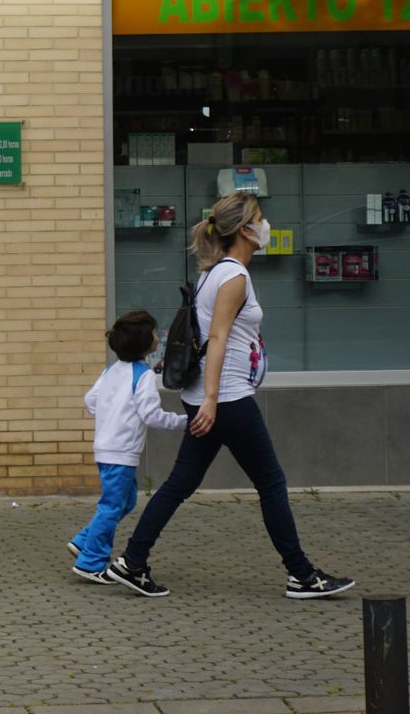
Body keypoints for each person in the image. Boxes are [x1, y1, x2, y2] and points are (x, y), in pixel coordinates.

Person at [105, 192, 354, 600]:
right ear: (244, 230)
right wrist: (213, 400)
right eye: (261, 218)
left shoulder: (214, 272)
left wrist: (206, 398)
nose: (266, 225)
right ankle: (301, 576)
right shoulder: (233, 276)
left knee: (179, 484)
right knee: (271, 483)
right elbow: (218, 337)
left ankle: (132, 562)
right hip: (227, 399)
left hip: (210, 397)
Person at [67, 309, 188, 585]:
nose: (159, 337)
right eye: (156, 333)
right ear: (147, 342)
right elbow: (151, 415)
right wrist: (184, 422)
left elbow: (90, 401)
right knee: (111, 506)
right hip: (120, 453)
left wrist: (111, 415)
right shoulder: (143, 375)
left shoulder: (111, 370)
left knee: (126, 501)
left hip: (106, 449)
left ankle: (84, 540)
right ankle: (90, 562)